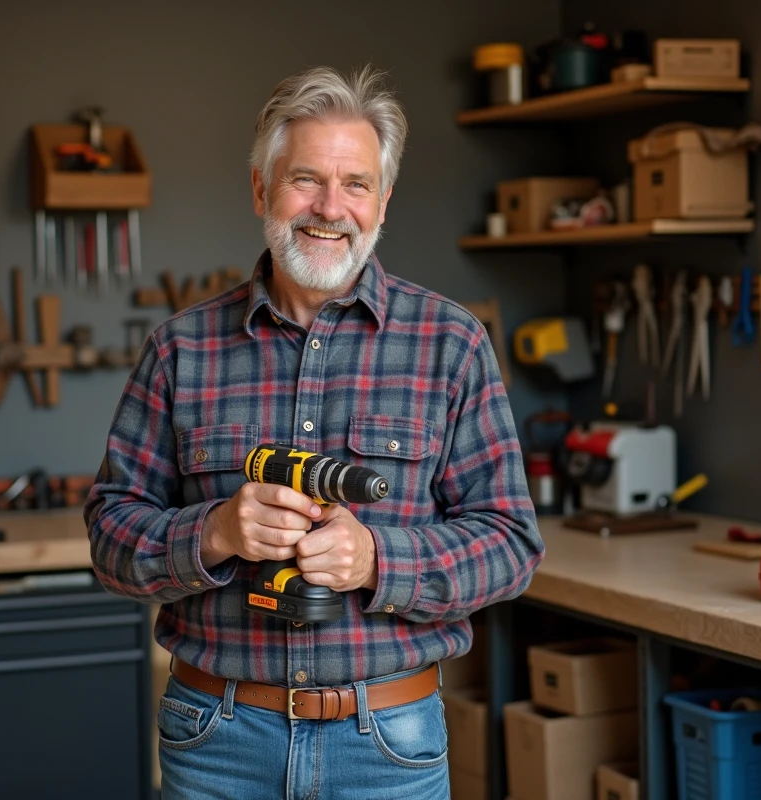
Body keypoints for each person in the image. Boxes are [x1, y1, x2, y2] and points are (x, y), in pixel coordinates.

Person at [85, 63, 544, 800]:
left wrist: (375, 558)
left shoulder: (449, 343)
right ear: (262, 189)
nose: (331, 208)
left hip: (387, 747)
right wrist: (215, 534)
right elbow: (110, 536)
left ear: (383, 201)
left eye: (356, 184)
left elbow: (512, 546)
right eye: (306, 180)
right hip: (216, 741)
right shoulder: (183, 348)